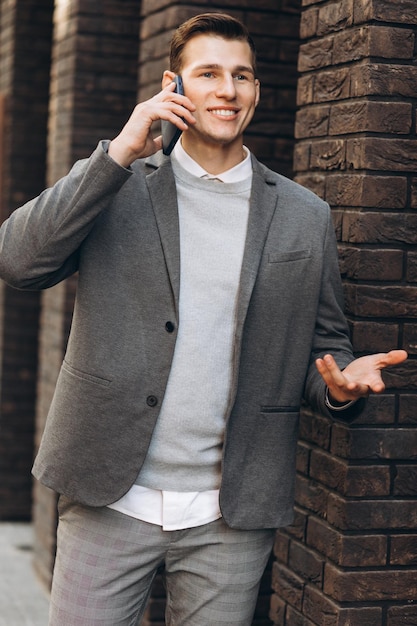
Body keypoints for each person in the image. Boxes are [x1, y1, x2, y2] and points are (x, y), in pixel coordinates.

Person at [0, 12, 407, 626]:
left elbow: (324, 344)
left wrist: (340, 384)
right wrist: (116, 154)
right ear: (174, 85)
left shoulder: (303, 216)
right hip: (109, 490)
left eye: (241, 75)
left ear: (256, 91)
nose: (227, 89)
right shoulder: (120, 185)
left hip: (230, 513)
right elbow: (18, 261)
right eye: (208, 73)